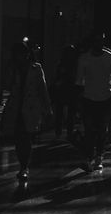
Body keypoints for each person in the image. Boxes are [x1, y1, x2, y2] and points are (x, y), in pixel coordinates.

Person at [6, 38, 51, 186]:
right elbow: (8, 85)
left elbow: (42, 89)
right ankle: (22, 164)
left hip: (30, 107)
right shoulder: (13, 69)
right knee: (19, 138)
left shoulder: (36, 68)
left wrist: (46, 108)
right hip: (16, 106)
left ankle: (24, 166)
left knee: (26, 137)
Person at [75, 33, 111, 173]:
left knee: (101, 130)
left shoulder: (110, 58)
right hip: (89, 99)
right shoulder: (85, 58)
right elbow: (79, 81)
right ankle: (91, 157)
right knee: (90, 130)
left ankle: (98, 157)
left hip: (105, 99)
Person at [51, 43, 79, 141]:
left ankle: (61, 131)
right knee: (69, 113)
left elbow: (58, 77)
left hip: (65, 90)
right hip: (69, 90)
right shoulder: (74, 64)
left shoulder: (63, 64)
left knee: (62, 112)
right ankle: (67, 132)